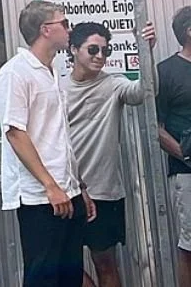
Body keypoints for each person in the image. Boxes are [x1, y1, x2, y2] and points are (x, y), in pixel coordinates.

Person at [0, 1, 94, 287]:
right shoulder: (15, 73)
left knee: (70, 274)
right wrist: (50, 185)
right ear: (45, 30)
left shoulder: (53, 70)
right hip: (39, 195)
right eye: (64, 23)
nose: (69, 29)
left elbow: (58, 135)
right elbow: (15, 132)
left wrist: (78, 186)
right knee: (44, 275)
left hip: (66, 188)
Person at [64, 20, 156, 287]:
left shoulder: (113, 84)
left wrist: (146, 52)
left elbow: (143, 92)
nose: (100, 56)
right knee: (63, 264)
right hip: (67, 190)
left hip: (104, 191)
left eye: (106, 51)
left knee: (106, 263)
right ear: (73, 49)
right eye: (93, 49)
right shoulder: (57, 88)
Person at [157, 5, 191, 287]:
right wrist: (186, 155)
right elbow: (155, 128)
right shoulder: (166, 72)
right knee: (190, 247)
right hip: (187, 173)